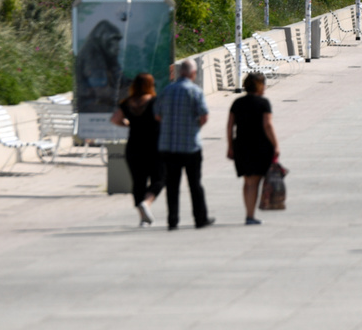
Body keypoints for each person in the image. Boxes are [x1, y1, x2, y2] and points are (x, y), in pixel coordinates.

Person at [154, 60, 215, 230]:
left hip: (168, 146)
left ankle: (172, 220)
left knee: (172, 185)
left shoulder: (167, 90)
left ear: (180, 72)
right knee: (195, 184)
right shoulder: (195, 91)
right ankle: (200, 218)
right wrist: (195, 127)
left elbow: (157, 115)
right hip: (190, 146)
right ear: (193, 74)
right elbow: (204, 116)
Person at [110, 72, 164, 226]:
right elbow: (162, 118)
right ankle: (147, 202)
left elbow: (115, 119)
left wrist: (128, 124)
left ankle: (143, 218)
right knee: (160, 178)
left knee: (138, 182)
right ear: (150, 85)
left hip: (133, 147)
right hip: (154, 146)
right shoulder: (155, 101)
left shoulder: (127, 103)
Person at [226, 72, 279, 225]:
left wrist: (230, 146)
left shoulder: (237, 102)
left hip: (241, 145)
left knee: (248, 181)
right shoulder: (263, 103)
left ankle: (249, 213)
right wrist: (276, 144)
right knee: (254, 181)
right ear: (259, 86)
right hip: (259, 146)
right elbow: (267, 125)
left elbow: (230, 126)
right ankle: (250, 216)